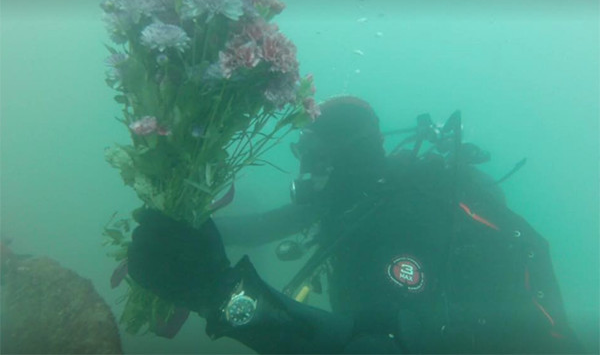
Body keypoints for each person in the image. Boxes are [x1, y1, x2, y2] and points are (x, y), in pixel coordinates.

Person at [128, 96, 584, 354]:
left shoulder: (399, 219)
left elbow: (379, 347)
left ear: (344, 160)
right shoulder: (352, 202)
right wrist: (178, 218)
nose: (304, 175)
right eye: (302, 156)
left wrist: (219, 295)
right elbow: (265, 226)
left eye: (314, 158)